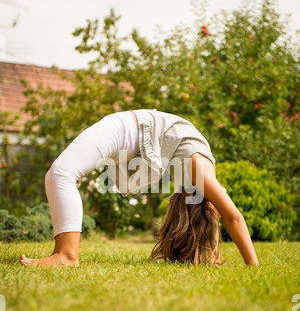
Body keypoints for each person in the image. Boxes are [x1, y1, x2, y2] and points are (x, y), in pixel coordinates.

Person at [20, 109, 258, 267]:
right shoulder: (198, 175)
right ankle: (64, 254)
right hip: (131, 135)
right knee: (60, 173)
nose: (221, 201)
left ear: (207, 203)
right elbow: (231, 215)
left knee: (62, 172)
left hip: (128, 131)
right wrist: (252, 266)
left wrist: (253, 265)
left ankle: (66, 256)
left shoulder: (200, 174)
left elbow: (233, 217)